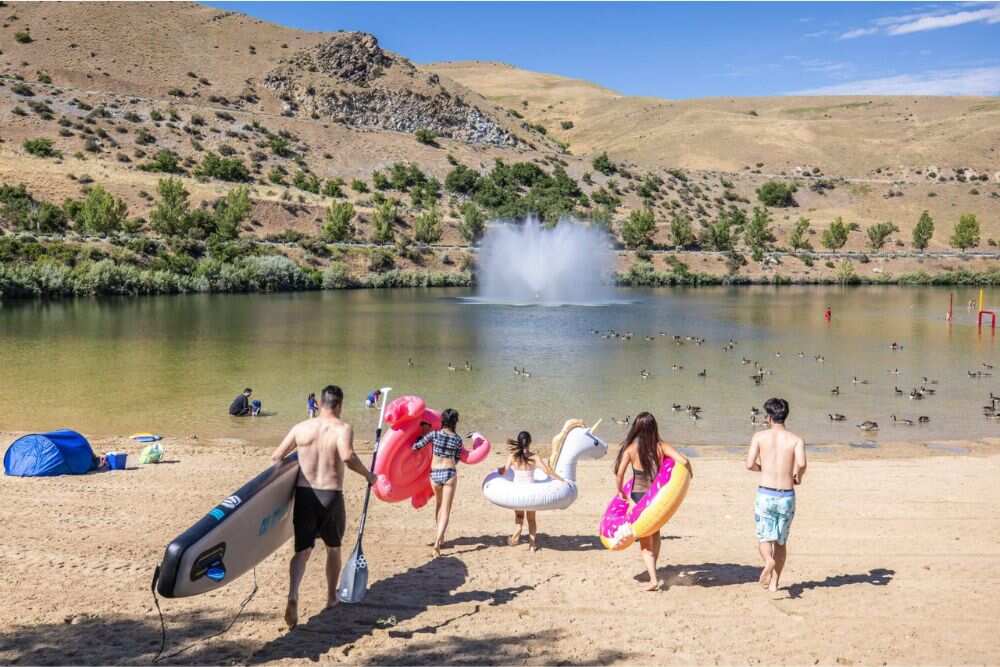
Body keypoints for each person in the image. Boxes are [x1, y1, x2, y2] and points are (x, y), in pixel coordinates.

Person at [270, 385, 377, 629]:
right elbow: (348, 457)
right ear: (339, 405)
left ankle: (293, 594)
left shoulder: (301, 428)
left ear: (319, 403)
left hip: (304, 495)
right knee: (333, 548)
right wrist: (368, 475)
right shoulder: (342, 428)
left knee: (302, 550)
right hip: (330, 496)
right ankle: (331, 598)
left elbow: (276, 458)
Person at [614, 412, 692, 591]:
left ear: (637, 428)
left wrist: (620, 492)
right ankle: (653, 570)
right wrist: (691, 473)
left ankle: (653, 579)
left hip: (638, 497)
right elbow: (684, 460)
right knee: (655, 533)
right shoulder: (660, 446)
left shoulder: (631, 449)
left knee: (644, 542)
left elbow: (619, 474)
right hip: (656, 497)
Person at [745, 397, 806, 593]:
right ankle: (774, 583)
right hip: (786, 494)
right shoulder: (796, 440)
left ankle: (768, 561)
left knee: (764, 538)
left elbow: (749, 464)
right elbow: (802, 463)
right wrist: (798, 476)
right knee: (781, 541)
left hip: (766, 493)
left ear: (769, 417)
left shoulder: (759, 437)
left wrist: (761, 468)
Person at [495, 431, 566, 551]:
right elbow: (547, 471)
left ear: (518, 442)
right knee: (531, 519)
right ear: (530, 442)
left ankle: (516, 534)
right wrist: (561, 479)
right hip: (531, 493)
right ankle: (532, 544)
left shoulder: (513, 456)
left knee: (519, 517)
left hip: (518, 493)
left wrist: (497, 471)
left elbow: (505, 471)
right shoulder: (534, 457)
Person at [411, 408, 464, 558]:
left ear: (442, 421)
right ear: (455, 422)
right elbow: (457, 459)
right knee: (446, 509)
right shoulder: (458, 439)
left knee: (439, 505)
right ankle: (437, 543)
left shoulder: (433, 435)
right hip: (449, 473)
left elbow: (416, 447)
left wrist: (419, 435)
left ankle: (439, 538)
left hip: (434, 474)